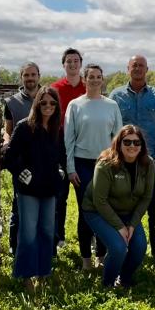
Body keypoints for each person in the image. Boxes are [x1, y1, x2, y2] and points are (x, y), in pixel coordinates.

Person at [3, 86, 66, 292]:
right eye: (44, 102)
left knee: (47, 232)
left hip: (49, 188)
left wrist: (60, 169)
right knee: (28, 232)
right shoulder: (24, 126)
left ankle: (43, 272)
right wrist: (21, 172)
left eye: (52, 103)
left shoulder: (57, 128)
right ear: (37, 103)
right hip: (28, 189)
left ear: (57, 106)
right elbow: (9, 157)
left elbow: (61, 155)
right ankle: (26, 274)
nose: (48, 106)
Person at [109, 55, 155, 269]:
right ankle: (118, 248)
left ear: (147, 69)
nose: (137, 69)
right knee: (120, 207)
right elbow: (111, 128)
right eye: (134, 65)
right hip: (122, 164)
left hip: (149, 164)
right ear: (128, 68)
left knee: (154, 210)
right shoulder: (116, 95)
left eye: (141, 66)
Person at [63, 64, 123, 270]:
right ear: (84, 79)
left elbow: (118, 139)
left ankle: (101, 256)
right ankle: (86, 259)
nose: (95, 80)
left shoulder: (112, 106)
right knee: (86, 211)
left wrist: (117, 165)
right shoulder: (75, 105)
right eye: (91, 77)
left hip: (106, 164)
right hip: (82, 164)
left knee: (104, 209)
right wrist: (70, 168)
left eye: (99, 76)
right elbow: (69, 139)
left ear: (102, 79)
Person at [80, 125, 153, 288]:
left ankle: (124, 278)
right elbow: (100, 201)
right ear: (118, 143)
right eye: (127, 142)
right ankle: (108, 283)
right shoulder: (105, 163)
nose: (132, 146)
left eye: (137, 142)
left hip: (128, 212)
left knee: (140, 247)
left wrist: (132, 224)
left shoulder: (148, 164)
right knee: (118, 247)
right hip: (97, 211)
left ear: (142, 145)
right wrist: (120, 227)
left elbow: (146, 197)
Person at [1, 61, 41, 255]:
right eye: (26, 75)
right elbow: (7, 131)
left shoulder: (47, 98)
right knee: (19, 203)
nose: (30, 78)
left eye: (33, 75)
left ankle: (43, 245)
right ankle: (15, 245)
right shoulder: (11, 102)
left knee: (45, 203)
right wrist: (7, 142)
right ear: (21, 78)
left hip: (43, 159)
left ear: (39, 76)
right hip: (21, 161)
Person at [50, 48, 86, 248]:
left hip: (82, 146)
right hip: (60, 145)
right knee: (60, 194)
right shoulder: (55, 88)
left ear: (80, 63)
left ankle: (89, 236)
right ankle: (59, 237)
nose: (72, 64)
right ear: (63, 65)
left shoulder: (88, 87)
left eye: (75, 61)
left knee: (86, 195)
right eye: (68, 61)